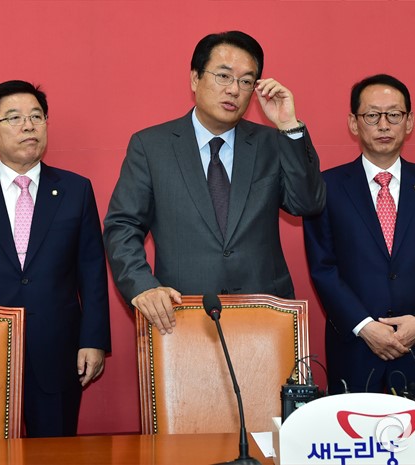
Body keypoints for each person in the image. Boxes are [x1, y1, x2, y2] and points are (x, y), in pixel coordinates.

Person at [103, 30, 325, 334]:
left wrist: (289, 126)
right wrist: (143, 286)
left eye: (246, 81)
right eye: (223, 76)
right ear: (195, 79)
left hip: (265, 317)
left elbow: (308, 203)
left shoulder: (272, 143)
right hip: (181, 317)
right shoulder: (151, 146)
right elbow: (123, 226)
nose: (234, 90)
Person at [0, 80, 111, 437]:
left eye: (36, 116)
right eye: (14, 118)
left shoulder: (76, 190)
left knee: (56, 454)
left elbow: (91, 271)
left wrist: (93, 340)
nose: (29, 126)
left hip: (57, 352)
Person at [303, 74, 415, 422]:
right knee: (352, 439)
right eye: (372, 115)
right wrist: (364, 326)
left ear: (409, 122)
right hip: (355, 346)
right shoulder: (327, 187)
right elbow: (323, 266)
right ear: (353, 122)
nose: (383, 125)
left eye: (394, 114)